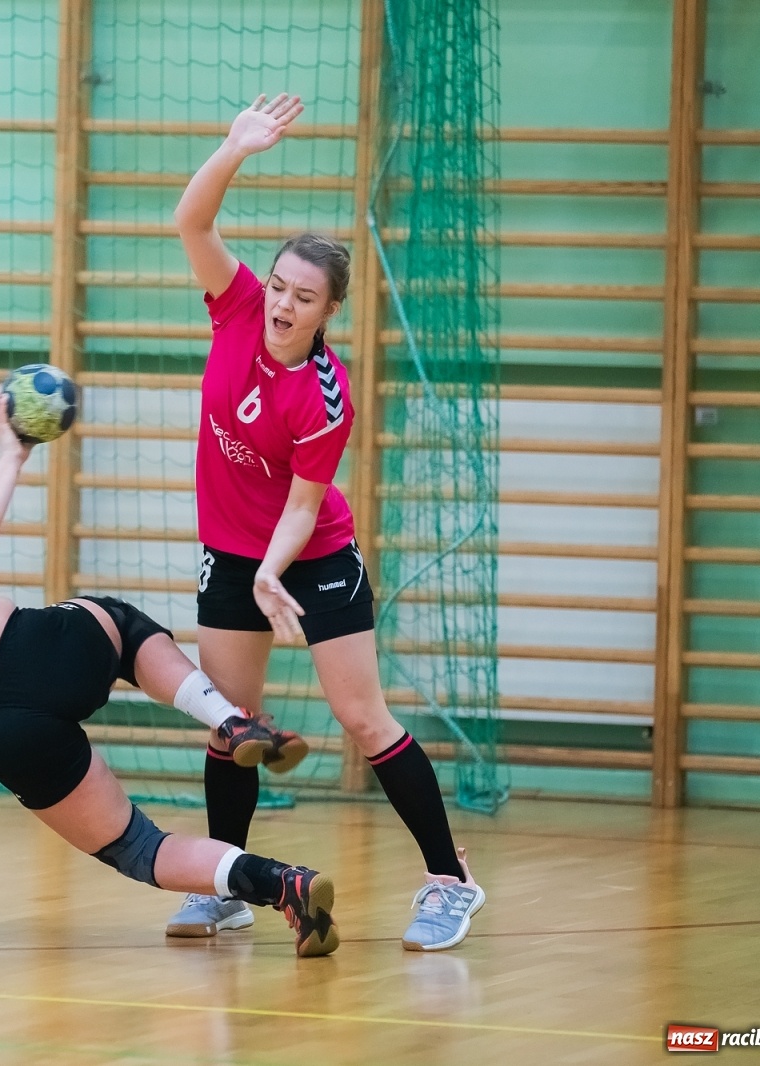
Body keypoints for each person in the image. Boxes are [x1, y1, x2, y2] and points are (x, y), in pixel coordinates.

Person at [0, 401, 341, 958]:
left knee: (135, 846)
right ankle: (229, 719)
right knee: (123, 629)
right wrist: (12, 454)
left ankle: (280, 882)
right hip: (32, 655)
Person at [170, 92, 484, 951]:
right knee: (231, 722)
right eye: (277, 286)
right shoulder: (232, 307)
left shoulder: (323, 396)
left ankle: (450, 882)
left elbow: (305, 506)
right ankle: (228, 882)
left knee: (362, 719)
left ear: (326, 311)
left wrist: (276, 571)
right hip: (235, 557)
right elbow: (191, 223)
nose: (280, 305)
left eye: (302, 298)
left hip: (314, 559)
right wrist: (234, 145)